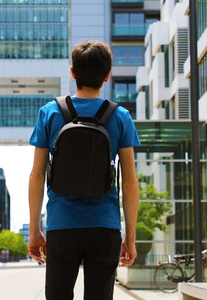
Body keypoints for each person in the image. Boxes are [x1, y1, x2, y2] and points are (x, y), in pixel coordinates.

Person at [28, 40, 140, 300]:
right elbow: (130, 182)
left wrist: (35, 229)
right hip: (105, 225)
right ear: (107, 75)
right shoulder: (120, 116)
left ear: (72, 72)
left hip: (62, 225)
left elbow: (37, 175)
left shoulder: (50, 112)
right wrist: (130, 237)